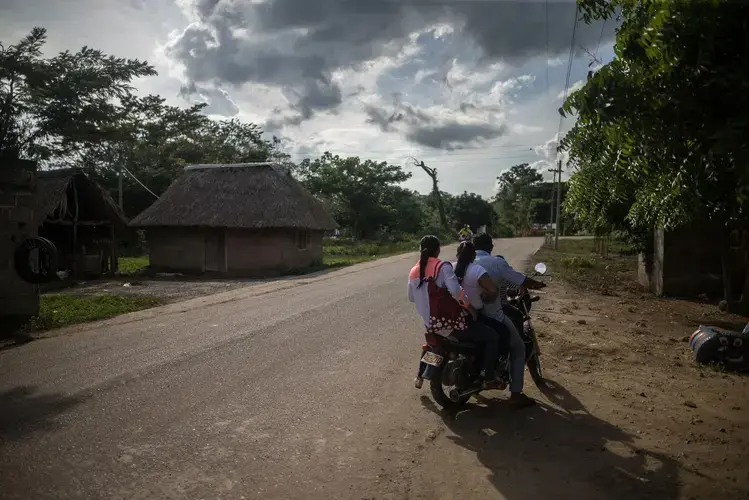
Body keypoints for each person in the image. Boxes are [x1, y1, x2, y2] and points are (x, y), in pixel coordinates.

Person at [408, 235, 502, 390]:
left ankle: (420, 375)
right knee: (492, 336)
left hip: (430, 324)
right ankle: (489, 377)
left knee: (432, 346)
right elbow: (456, 291)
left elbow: (411, 298)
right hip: (450, 323)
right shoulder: (442, 267)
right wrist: (469, 308)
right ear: (438, 250)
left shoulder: (414, 271)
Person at [473, 233, 546, 407]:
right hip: (493, 315)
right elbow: (521, 280)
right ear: (490, 247)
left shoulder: (463, 262)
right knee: (519, 348)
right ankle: (516, 394)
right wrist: (538, 284)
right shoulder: (497, 263)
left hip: (470, 316)